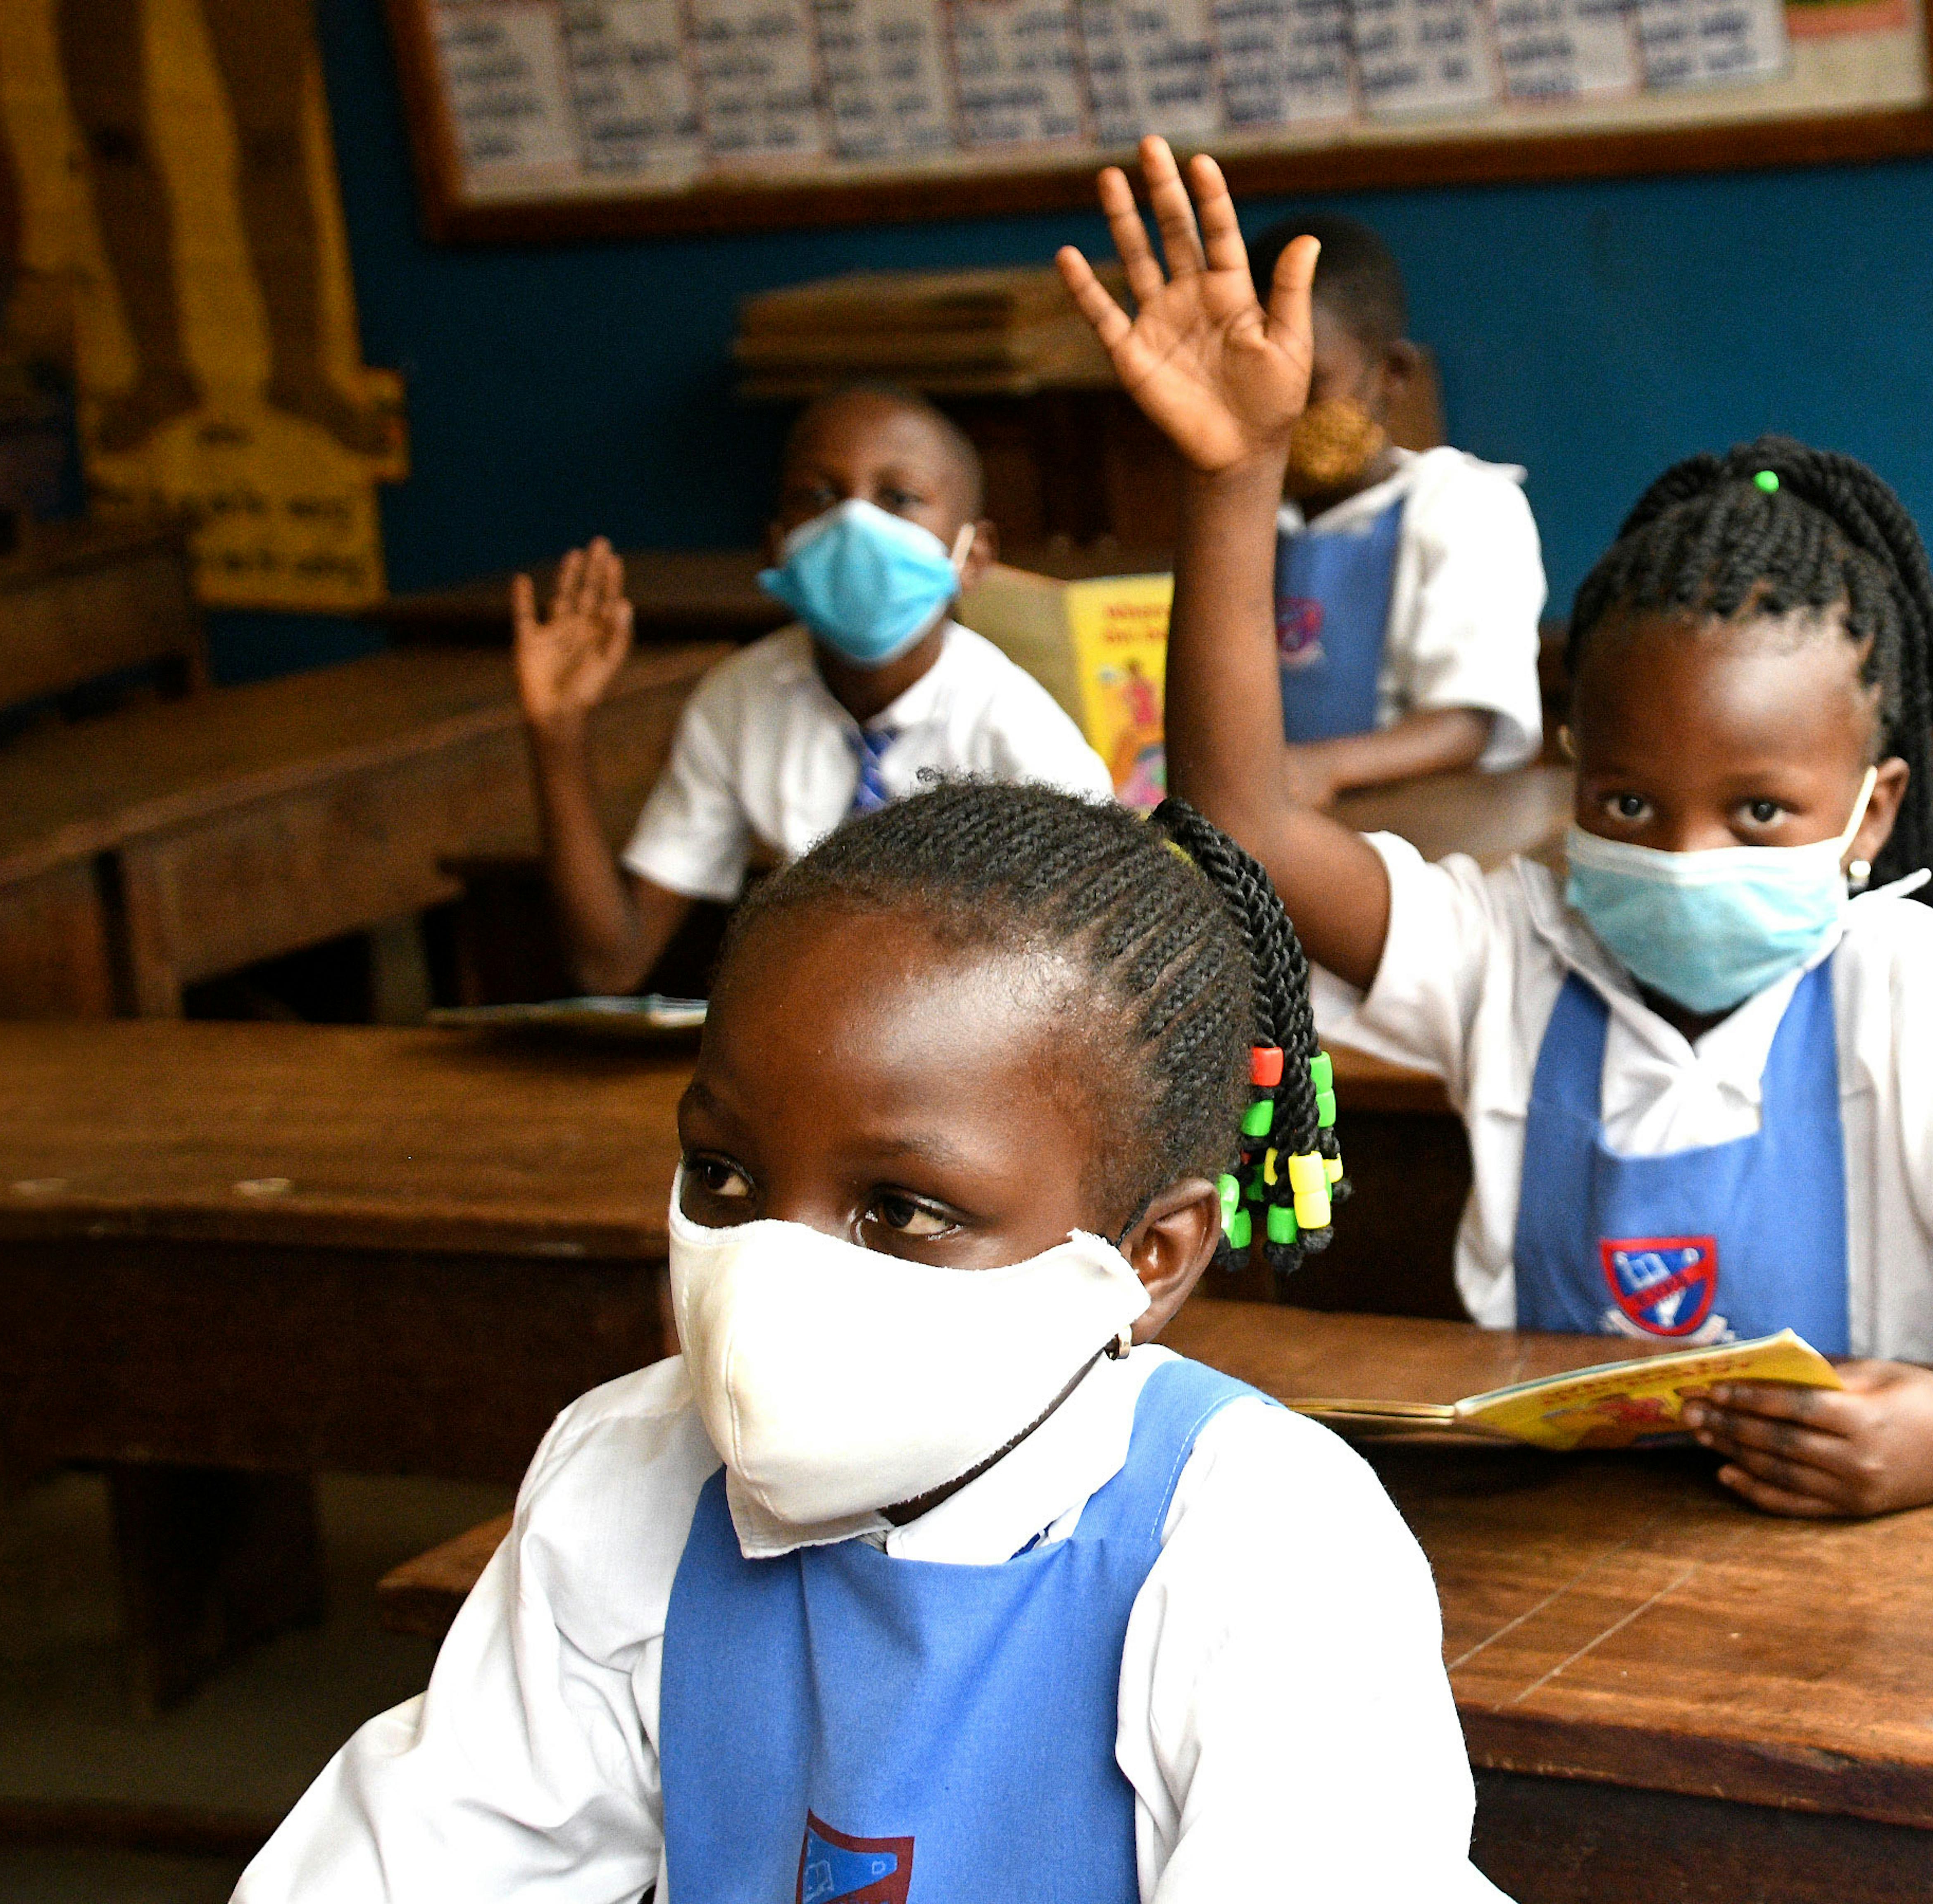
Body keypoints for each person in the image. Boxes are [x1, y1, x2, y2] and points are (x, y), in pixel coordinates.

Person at [1057, 137, 1933, 1521]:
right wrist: (1236, 478)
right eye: (1630, 803)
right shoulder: (1514, 952)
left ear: (1872, 812)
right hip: (1553, 1538)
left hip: (1865, 1540)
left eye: (1761, 810)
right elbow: (1242, 827)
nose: (1687, 852)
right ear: (1573, 770)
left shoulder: (1909, 985)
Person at [235, 781, 1501, 1903]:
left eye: (899, 1211)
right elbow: (426, 1853)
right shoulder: (628, 1477)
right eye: (723, 1175)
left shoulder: (1260, 1545)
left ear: (1150, 1258)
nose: (768, 1270)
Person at [514, 385, 1110, 994]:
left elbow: (1099, 958)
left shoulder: (1014, 727)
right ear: (776, 543)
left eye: (899, 498)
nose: (853, 523)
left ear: (974, 555)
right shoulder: (740, 703)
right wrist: (558, 734)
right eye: (819, 497)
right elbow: (611, 963)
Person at [1245, 213, 1545, 807]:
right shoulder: (1252, 523)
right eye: (1257, 384)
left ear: (1392, 374)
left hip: (1418, 827)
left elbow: (1467, 721)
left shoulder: (1466, 506)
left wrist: (1312, 772)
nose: (1281, 410)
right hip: (1275, 825)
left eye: (1308, 386)